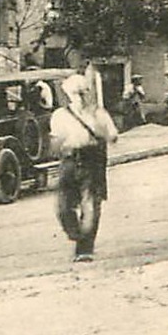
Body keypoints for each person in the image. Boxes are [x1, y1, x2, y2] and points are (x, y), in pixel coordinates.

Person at [50, 73, 119, 263]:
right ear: (68, 94)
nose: (79, 97)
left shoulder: (99, 113)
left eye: (82, 92)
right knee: (64, 206)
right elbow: (56, 142)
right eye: (75, 93)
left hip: (92, 160)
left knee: (91, 205)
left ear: (87, 93)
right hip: (69, 161)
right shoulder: (60, 115)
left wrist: (101, 131)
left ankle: (84, 249)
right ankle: (76, 234)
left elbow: (112, 136)